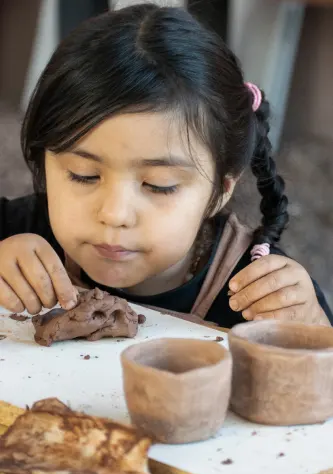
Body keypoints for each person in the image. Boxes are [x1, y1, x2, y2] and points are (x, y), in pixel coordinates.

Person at [0, 4, 332, 328]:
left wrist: (312, 336)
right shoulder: (20, 233)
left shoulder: (257, 291)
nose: (115, 214)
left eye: (159, 184)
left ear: (220, 190)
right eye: (83, 175)